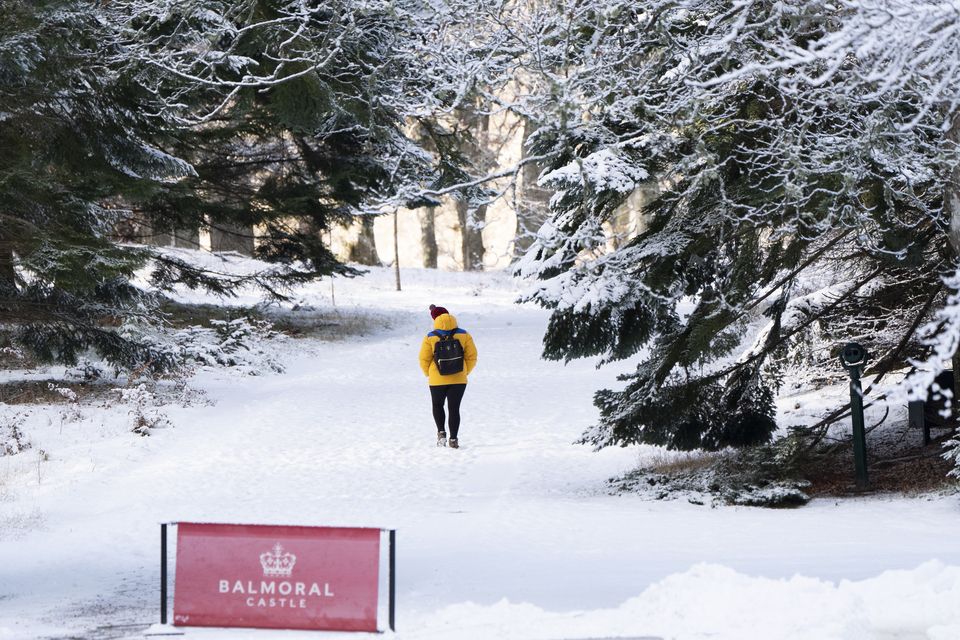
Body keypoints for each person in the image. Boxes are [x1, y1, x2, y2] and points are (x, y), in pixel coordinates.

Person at [418, 304, 478, 448]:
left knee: (437, 405)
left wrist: (429, 374)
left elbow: (423, 358)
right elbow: (472, 356)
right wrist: (464, 371)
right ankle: (453, 439)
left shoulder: (430, 337)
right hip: (459, 379)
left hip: (436, 379)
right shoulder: (464, 334)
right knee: (454, 408)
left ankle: (441, 433)